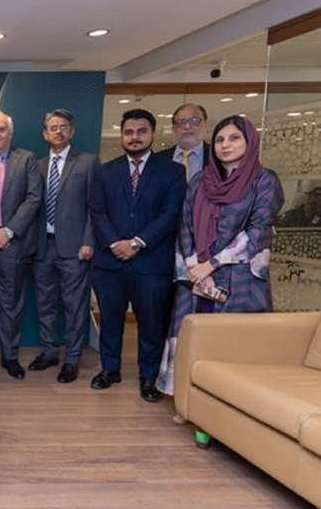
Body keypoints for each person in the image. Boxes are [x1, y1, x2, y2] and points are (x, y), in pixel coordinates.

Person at [157, 115, 284, 396]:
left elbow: (258, 230)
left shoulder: (264, 180)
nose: (225, 145)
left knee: (234, 347)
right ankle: (188, 400)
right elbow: (185, 224)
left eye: (234, 138)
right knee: (192, 339)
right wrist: (193, 266)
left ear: (250, 142)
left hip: (240, 279)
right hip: (195, 279)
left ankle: (233, 403)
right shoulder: (201, 181)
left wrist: (212, 264)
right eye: (219, 140)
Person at [89, 108, 186, 403]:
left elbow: (170, 214)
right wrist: (115, 243)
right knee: (110, 321)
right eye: (129, 132)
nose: (134, 137)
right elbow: (98, 212)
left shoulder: (172, 171)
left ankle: (148, 377)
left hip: (151, 262)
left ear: (153, 133)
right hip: (110, 262)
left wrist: (137, 243)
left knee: (151, 324)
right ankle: (110, 370)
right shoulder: (105, 171)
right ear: (122, 135)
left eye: (141, 131)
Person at [30, 109, 99, 383]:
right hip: (42, 246)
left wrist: (88, 241)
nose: (58, 131)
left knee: (74, 306)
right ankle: (49, 351)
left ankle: (72, 359)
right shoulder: (37, 165)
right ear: (45, 134)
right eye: (53, 127)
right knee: (45, 304)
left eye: (63, 127)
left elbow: (95, 207)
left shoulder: (88, 162)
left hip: (75, 248)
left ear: (71, 131)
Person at [0, 111, 42, 377]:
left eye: (0, 129)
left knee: (11, 303)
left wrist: (8, 231)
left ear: (10, 132)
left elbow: (33, 198)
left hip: (14, 244)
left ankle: (10, 356)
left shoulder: (26, 159)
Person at [159, 103, 210, 181]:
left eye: (194, 120)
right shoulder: (159, 159)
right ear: (173, 129)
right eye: (181, 122)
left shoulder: (217, 157)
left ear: (206, 125)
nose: (187, 126)